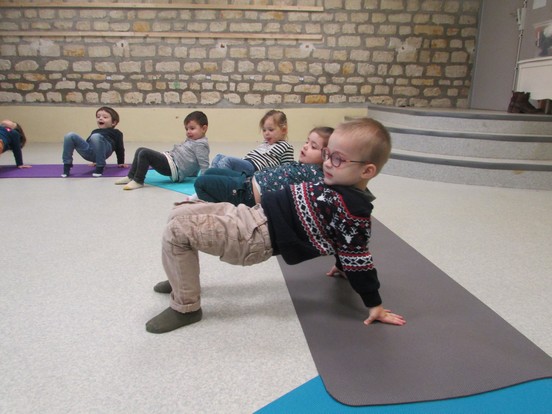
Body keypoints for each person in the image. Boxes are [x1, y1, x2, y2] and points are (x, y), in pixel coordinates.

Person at [145, 117, 406, 334]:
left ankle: (186, 308)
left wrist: (375, 304)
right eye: (327, 155)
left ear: (367, 171)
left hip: (255, 238)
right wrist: (340, 263)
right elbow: (341, 236)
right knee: (180, 214)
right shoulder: (339, 184)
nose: (327, 163)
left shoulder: (353, 208)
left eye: (338, 159)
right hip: (253, 215)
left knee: (177, 232)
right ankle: (181, 279)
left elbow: (358, 253)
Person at [190, 126, 333, 207]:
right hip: (247, 179)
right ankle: (214, 197)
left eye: (313, 146)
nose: (306, 146)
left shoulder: (316, 174)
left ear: (326, 156)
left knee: (200, 183)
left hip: (246, 194)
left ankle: (222, 210)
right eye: (307, 142)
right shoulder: (304, 166)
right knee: (211, 171)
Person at [115, 111, 210, 191]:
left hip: (173, 169)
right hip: (171, 161)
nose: (188, 131)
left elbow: (203, 163)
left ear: (204, 128)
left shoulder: (201, 145)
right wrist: (192, 174)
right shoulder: (193, 140)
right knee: (140, 150)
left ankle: (138, 181)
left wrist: (204, 181)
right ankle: (131, 176)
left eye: (192, 128)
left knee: (144, 154)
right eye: (186, 129)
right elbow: (193, 160)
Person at [210, 109, 294, 174]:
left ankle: (223, 185)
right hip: (247, 162)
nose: (266, 133)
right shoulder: (265, 143)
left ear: (283, 130)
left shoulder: (286, 146)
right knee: (218, 157)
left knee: (227, 161)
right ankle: (209, 181)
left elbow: (287, 170)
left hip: (255, 168)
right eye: (264, 130)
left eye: (271, 130)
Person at [61, 106, 125, 177]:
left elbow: (120, 148)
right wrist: (94, 160)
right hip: (91, 152)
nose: (100, 118)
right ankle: (67, 164)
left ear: (113, 122)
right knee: (69, 135)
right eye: (98, 117)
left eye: (105, 117)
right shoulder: (95, 131)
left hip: (106, 150)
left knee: (96, 136)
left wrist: (121, 162)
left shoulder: (116, 132)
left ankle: (100, 165)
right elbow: (89, 143)